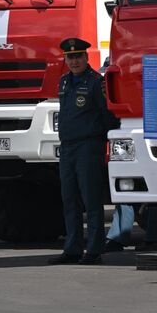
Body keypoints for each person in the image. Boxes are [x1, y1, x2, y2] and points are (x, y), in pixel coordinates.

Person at [50, 36, 119, 265]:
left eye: (78, 56)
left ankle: (94, 249)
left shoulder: (94, 82)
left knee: (91, 200)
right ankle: (72, 248)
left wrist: (98, 139)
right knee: (69, 199)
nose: (74, 61)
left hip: (88, 146)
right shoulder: (63, 82)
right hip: (68, 147)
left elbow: (108, 117)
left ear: (86, 57)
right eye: (70, 57)